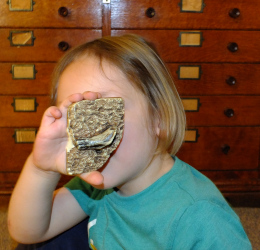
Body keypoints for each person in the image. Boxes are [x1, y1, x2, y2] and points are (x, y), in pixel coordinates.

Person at [8, 34, 251, 250]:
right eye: (77, 118)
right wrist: (41, 169)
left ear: (159, 117)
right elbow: (28, 231)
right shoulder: (94, 187)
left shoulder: (199, 215)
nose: (89, 134)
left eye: (104, 113)